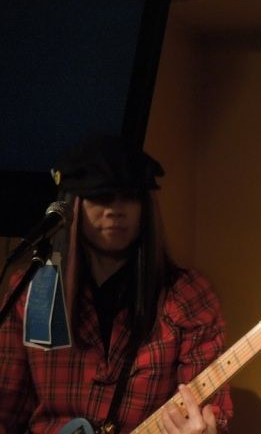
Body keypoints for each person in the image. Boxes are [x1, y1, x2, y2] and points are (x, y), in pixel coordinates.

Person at [0, 135, 233, 433]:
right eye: (100, 196)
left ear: (145, 206)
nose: (115, 209)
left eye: (128, 196)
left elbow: (212, 410)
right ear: (72, 206)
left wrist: (206, 429)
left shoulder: (189, 296)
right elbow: (6, 410)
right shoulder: (35, 290)